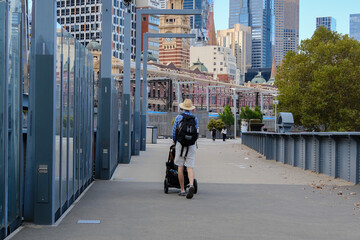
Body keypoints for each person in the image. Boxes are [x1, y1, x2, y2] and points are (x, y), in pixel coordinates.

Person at [172, 99, 199, 199]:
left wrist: (175, 141)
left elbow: (174, 131)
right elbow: (197, 131)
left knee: (180, 166)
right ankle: (191, 185)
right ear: (191, 108)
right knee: (190, 166)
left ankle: (182, 189)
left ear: (183, 107)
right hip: (191, 144)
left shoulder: (179, 117)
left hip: (181, 143)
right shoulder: (194, 118)